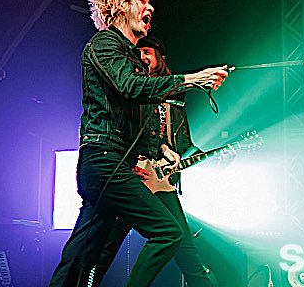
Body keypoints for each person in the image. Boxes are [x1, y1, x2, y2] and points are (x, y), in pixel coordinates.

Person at [48, 0, 228, 287]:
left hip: (114, 163)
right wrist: (191, 80)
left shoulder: (130, 56)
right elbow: (130, 87)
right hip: (104, 161)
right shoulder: (105, 43)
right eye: (143, 1)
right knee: (167, 233)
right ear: (121, 6)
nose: (151, 8)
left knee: (82, 256)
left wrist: (158, 151)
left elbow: (138, 113)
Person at [87, 35, 215, 287]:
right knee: (105, 249)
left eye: (148, 52)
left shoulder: (174, 102)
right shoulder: (130, 91)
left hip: (161, 182)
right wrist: (127, 165)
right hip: (132, 178)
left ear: (160, 58)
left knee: (185, 248)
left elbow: (184, 144)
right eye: (139, 52)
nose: (143, 57)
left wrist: (210, 157)